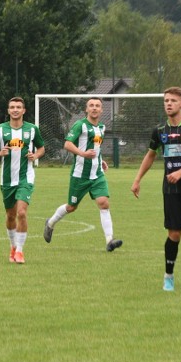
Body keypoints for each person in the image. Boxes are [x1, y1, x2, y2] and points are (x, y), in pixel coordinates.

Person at [131, 87, 181, 292]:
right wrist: (137, 179)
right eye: (166, 100)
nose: (169, 103)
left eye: (173, 101)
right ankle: (168, 276)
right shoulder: (160, 131)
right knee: (174, 235)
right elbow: (150, 155)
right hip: (171, 191)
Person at [43, 97, 123, 252]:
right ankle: (50, 223)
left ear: (101, 110)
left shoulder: (101, 127)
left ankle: (109, 240)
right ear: (86, 109)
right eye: (91, 105)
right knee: (72, 207)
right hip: (80, 175)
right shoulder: (80, 125)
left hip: (97, 174)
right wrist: (82, 154)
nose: (94, 108)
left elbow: (96, 148)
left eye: (97, 106)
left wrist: (101, 160)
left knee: (104, 203)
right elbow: (67, 144)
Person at [0, 97, 45, 264]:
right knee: (10, 216)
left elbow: (41, 148)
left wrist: (36, 155)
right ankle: (13, 246)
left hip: (26, 177)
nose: (15, 110)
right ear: (8, 110)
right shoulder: (0, 129)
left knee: (21, 213)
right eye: (12, 107)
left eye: (19, 107)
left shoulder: (32, 129)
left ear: (24, 110)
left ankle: (20, 251)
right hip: (6, 180)